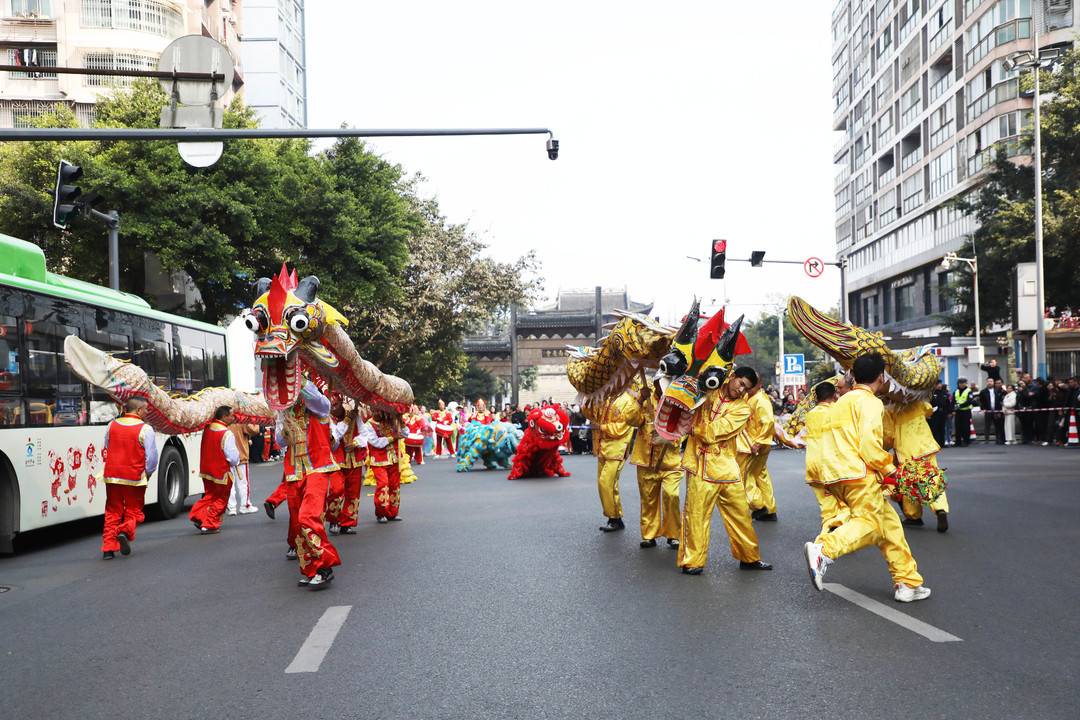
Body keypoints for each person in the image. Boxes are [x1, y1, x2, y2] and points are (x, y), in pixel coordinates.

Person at [803, 353, 930, 603]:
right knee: (870, 523)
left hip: (835, 474)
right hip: (857, 473)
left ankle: (908, 582)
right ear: (881, 377)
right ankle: (824, 550)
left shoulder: (841, 401)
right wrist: (893, 471)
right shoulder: (871, 403)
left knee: (890, 526)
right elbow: (870, 446)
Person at [677, 366, 772, 575]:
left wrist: (693, 428)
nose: (741, 391)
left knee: (741, 516)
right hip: (699, 467)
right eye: (740, 384)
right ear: (732, 377)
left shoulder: (742, 409)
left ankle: (749, 558)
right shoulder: (708, 390)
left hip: (727, 468)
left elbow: (713, 432)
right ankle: (692, 561)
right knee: (696, 515)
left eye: (746, 389)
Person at [276, 380, 342, 589]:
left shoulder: (318, 406)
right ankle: (311, 568)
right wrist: (284, 431)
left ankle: (325, 566)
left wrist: (296, 376)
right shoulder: (283, 410)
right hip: (295, 471)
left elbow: (319, 402)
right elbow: (280, 442)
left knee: (308, 517)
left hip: (316, 469)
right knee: (297, 523)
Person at [100, 397, 159, 559]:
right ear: (139, 410)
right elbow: (152, 459)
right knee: (134, 511)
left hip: (112, 475)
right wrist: (147, 473)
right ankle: (124, 531)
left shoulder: (111, 425)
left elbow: (107, 445)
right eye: (146, 409)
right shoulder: (145, 429)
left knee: (112, 511)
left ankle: (108, 548)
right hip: (134, 476)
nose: (147, 412)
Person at [627, 380, 681, 549]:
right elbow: (630, 419)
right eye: (658, 382)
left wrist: (669, 438)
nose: (660, 385)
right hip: (646, 459)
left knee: (672, 495)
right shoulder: (646, 399)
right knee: (648, 498)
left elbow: (686, 427)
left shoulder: (678, 401)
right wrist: (639, 401)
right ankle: (649, 535)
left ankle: (673, 534)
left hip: (669, 460)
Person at [885, 399, 950, 533]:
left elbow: (888, 433)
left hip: (906, 449)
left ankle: (913, 516)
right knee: (932, 476)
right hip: (926, 445)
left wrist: (885, 447)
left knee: (909, 482)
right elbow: (929, 409)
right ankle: (940, 508)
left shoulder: (889, 408)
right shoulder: (917, 401)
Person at [803, 382, 848, 533]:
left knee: (825, 500)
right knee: (842, 499)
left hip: (813, 462)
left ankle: (829, 524)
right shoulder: (838, 411)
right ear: (834, 394)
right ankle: (839, 524)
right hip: (832, 462)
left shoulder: (810, 414)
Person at [189, 406, 240, 535]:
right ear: (224, 417)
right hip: (221, 472)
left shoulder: (207, 428)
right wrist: (236, 462)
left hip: (206, 471)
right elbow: (232, 457)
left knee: (210, 496)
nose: (233, 417)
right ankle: (210, 524)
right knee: (221, 499)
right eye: (231, 415)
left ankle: (199, 515)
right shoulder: (226, 433)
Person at [592, 389, 638, 532]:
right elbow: (594, 414)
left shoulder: (628, 401)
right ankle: (615, 518)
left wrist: (602, 427)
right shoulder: (607, 398)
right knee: (605, 483)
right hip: (603, 446)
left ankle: (614, 518)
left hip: (617, 448)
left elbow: (622, 427)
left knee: (606, 482)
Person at [737, 381, 778, 522]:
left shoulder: (760, 400)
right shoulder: (750, 396)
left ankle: (758, 505)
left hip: (754, 444)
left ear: (758, 384)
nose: (746, 388)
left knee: (744, 475)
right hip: (755, 443)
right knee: (760, 475)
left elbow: (768, 423)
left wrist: (758, 442)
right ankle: (769, 509)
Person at [364, 409, 403, 522]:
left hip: (394, 458)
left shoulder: (391, 421)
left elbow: (404, 433)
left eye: (380, 411)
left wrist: (400, 420)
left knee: (394, 485)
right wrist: (392, 438)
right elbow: (375, 442)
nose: (377, 413)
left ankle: (393, 513)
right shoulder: (368, 425)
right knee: (383, 484)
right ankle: (381, 513)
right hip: (378, 461)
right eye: (374, 410)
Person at [226, 419, 260, 515]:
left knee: (230, 484)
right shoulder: (240, 418)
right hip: (240, 455)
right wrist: (252, 418)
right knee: (243, 483)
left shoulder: (224, 419)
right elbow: (254, 429)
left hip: (227, 456)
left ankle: (231, 507)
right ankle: (245, 505)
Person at [979, 379, 1006, 444]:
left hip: (996, 411)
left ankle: (998, 439)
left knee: (997, 425)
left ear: (993, 383)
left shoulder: (997, 391)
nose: (989, 383)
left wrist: (999, 411)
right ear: (986, 383)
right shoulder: (983, 391)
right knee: (987, 425)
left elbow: (1000, 401)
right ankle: (986, 440)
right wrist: (983, 409)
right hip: (988, 411)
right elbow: (981, 402)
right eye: (988, 381)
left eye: (991, 381)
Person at [928, 381, 951, 448]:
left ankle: (942, 443)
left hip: (942, 413)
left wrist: (949, 412)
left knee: (942, 429)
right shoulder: (931, 393)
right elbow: (929, 403)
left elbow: (948, 403)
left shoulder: (944, 393)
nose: (939, 385)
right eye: (937, 384)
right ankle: (936, 443)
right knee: (935, 429)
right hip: (934, 414)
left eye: (940, 384)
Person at [953, 378, 974, 446]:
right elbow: (953, 401)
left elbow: (969, 401)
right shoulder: (956, 391)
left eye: (963, 383)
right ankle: (958, 442)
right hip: (958, 412)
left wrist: (960, 405)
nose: (961, 384)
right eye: (960, 383)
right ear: (958, 384)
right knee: (958, 427)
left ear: (965, 383)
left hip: (966, 411)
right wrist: (953, 409)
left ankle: (966, 441)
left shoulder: (969, 391)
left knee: (966, 427)